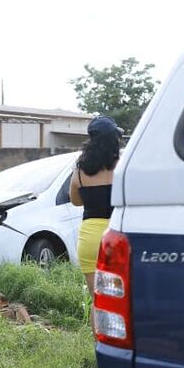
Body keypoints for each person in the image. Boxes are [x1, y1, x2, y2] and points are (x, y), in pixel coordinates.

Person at [70, 115, 122, 292]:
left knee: (98, 300)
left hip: (90, 239)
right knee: (119, 300)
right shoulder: (123, 167)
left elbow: (76, 201)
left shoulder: (79, 173)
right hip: (117, 236)